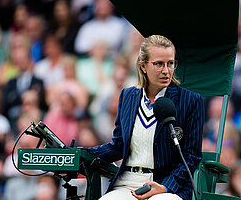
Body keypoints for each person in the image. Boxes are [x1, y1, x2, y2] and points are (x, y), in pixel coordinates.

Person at [83, 35, 204, 200]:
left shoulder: (191, 101)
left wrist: (165, 186)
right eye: (159, 64)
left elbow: (191, 157)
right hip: (126, 184)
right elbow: (117, 147)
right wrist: (78, 154)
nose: (166, 70)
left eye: (171, 63)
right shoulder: (127, 96)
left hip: (166, 186)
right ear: (143, 66)